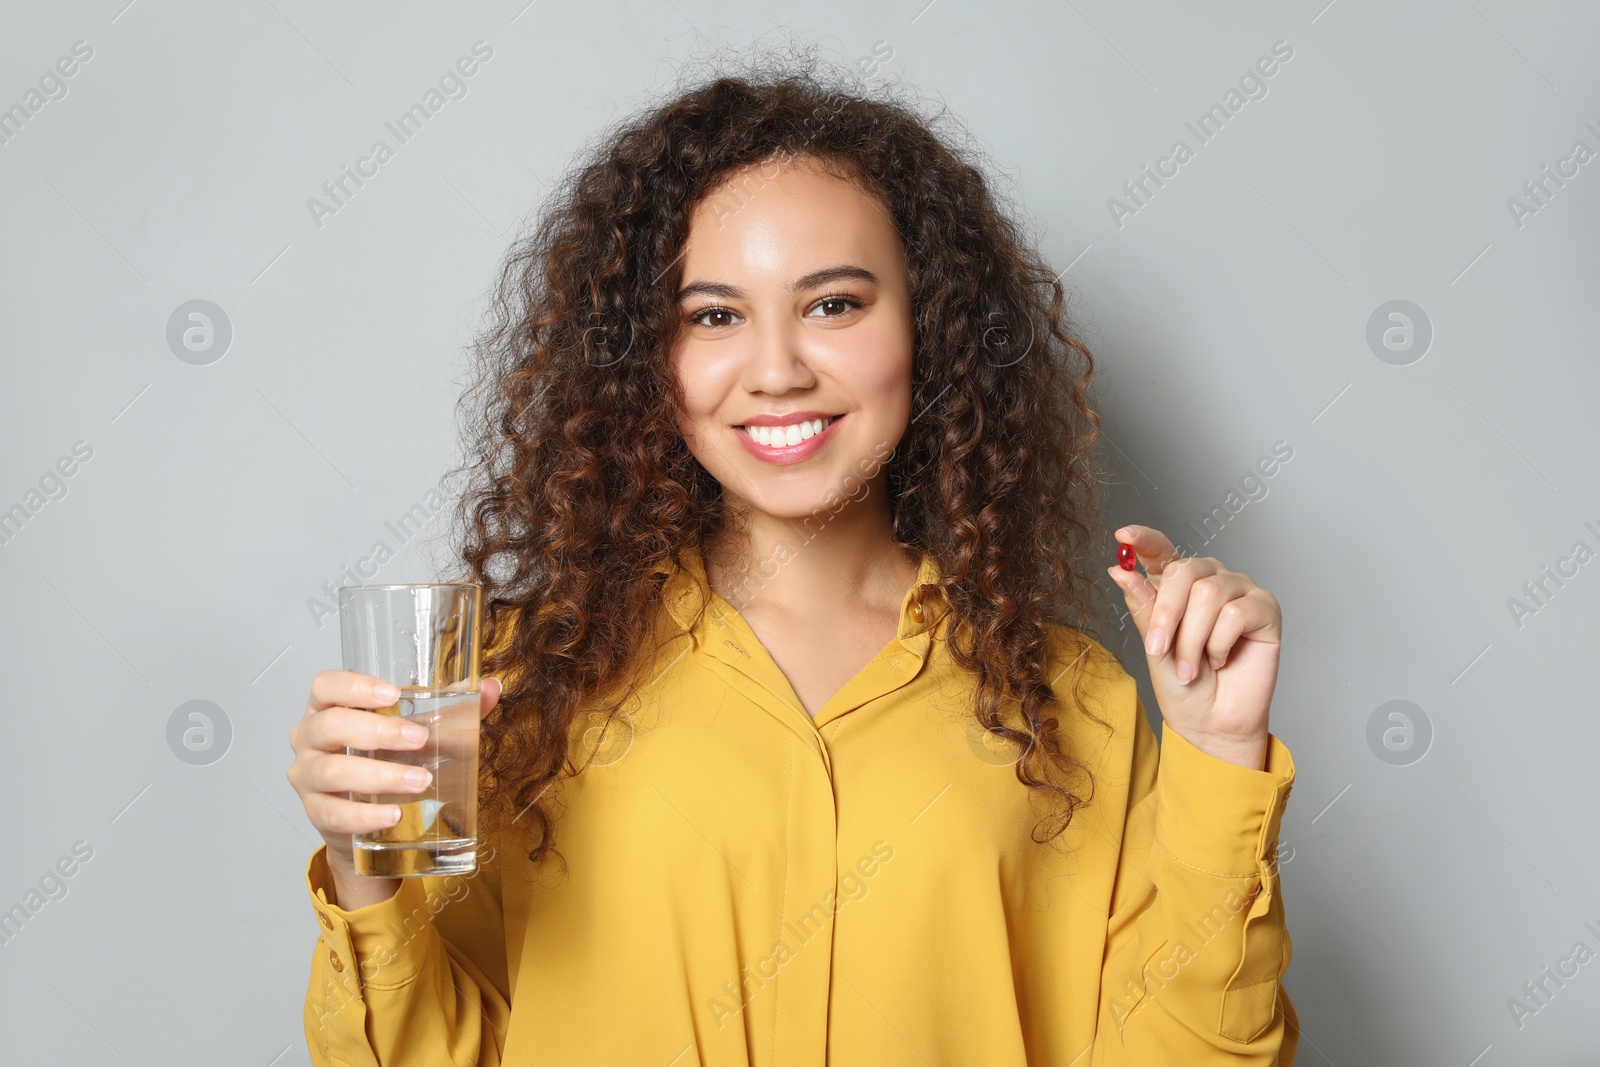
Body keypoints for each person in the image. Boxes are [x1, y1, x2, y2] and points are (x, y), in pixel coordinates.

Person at [286, 56, 1298, 1066]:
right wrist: (363, 862)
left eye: (833, 304)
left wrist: (1216, 751)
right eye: (713, 315)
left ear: (928, 327)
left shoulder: (1073, 705)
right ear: (647, 351)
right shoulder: (518, 686)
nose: (775, 370)